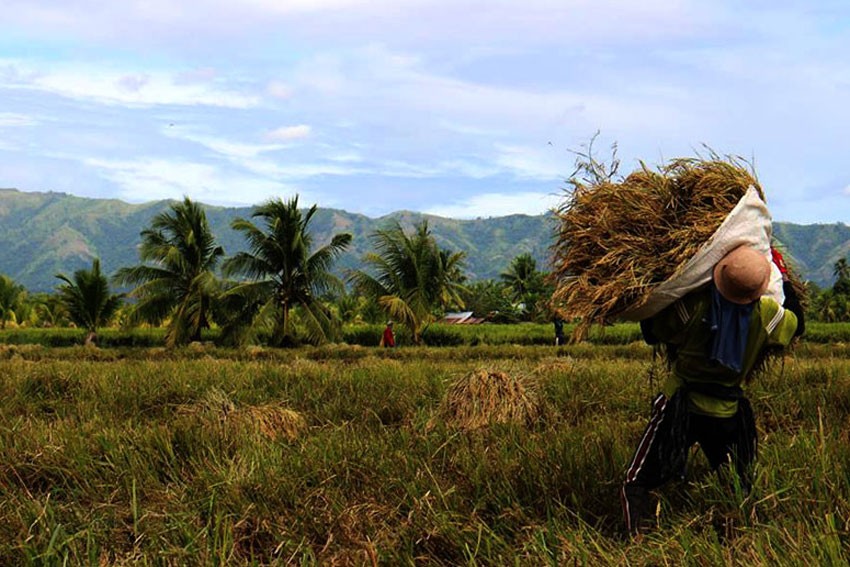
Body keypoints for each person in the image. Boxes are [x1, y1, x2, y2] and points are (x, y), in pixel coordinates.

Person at [620, 244, 804, 535]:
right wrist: (786, 279)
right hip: (728, 413)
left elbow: (651, 332)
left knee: (636, 481)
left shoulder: (693, 306)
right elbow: (798, 323)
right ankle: (737, 540)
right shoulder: (768, 314)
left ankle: (639, 541)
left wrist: (660, 279)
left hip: (680, 407)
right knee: (738, 485)